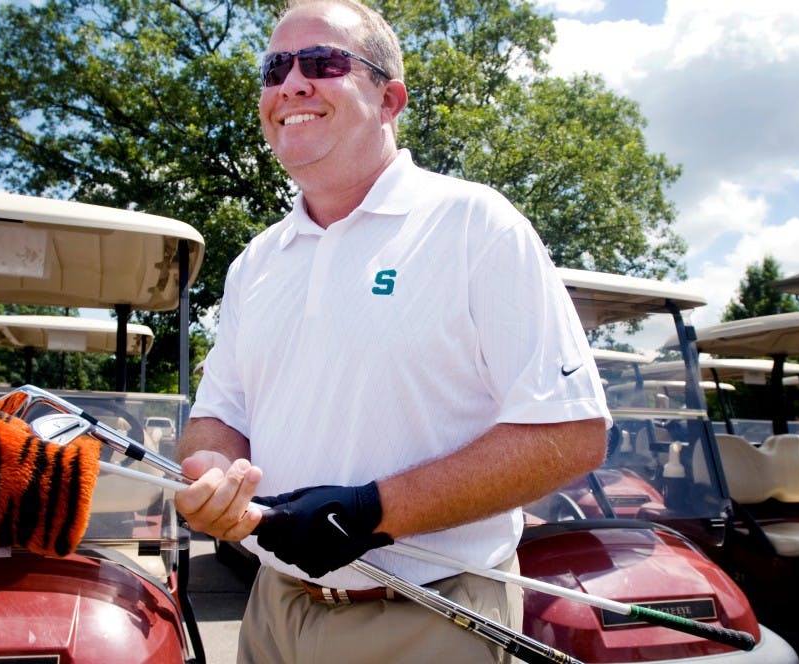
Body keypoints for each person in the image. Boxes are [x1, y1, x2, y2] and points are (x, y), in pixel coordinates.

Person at [175, 0, 610, 661]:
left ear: (389, 99)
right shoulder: (254, 263)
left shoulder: (476, 226)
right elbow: (217, 416)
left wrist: (370, 510)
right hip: (269, 607)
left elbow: (571, 434)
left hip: (428, 615)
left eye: (322, 62)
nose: (291, 83)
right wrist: (211, 478)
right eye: (275, 67)